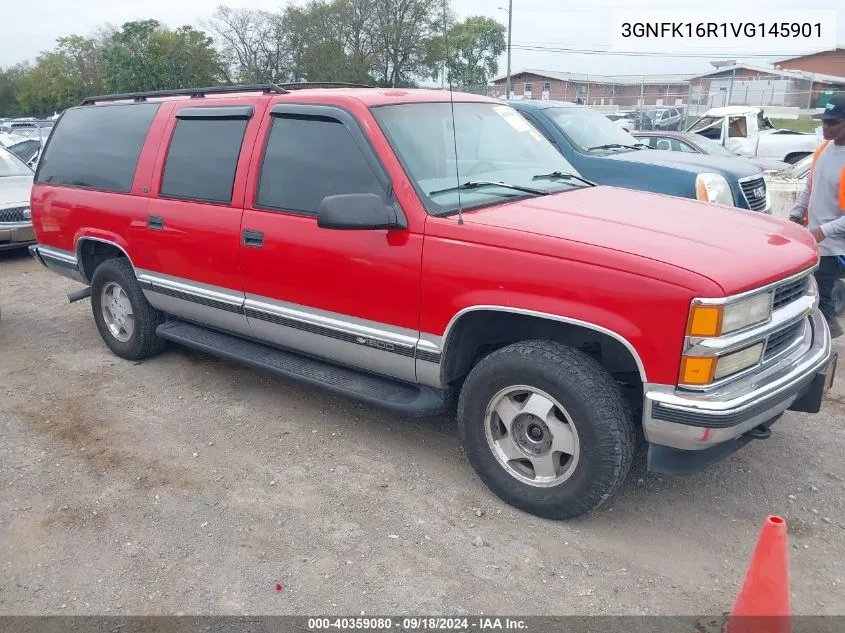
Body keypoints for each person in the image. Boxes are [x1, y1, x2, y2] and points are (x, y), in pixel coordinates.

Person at [790, 95, 845, 339]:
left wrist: (823, 231)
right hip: (814, 240)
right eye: (824, 121)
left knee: (822, 302)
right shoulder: (824, 149)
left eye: (832, 122)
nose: (825, 127)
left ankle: (824, 346)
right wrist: (795, 215)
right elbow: (811, 186)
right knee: (810, 296)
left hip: (835, 248)